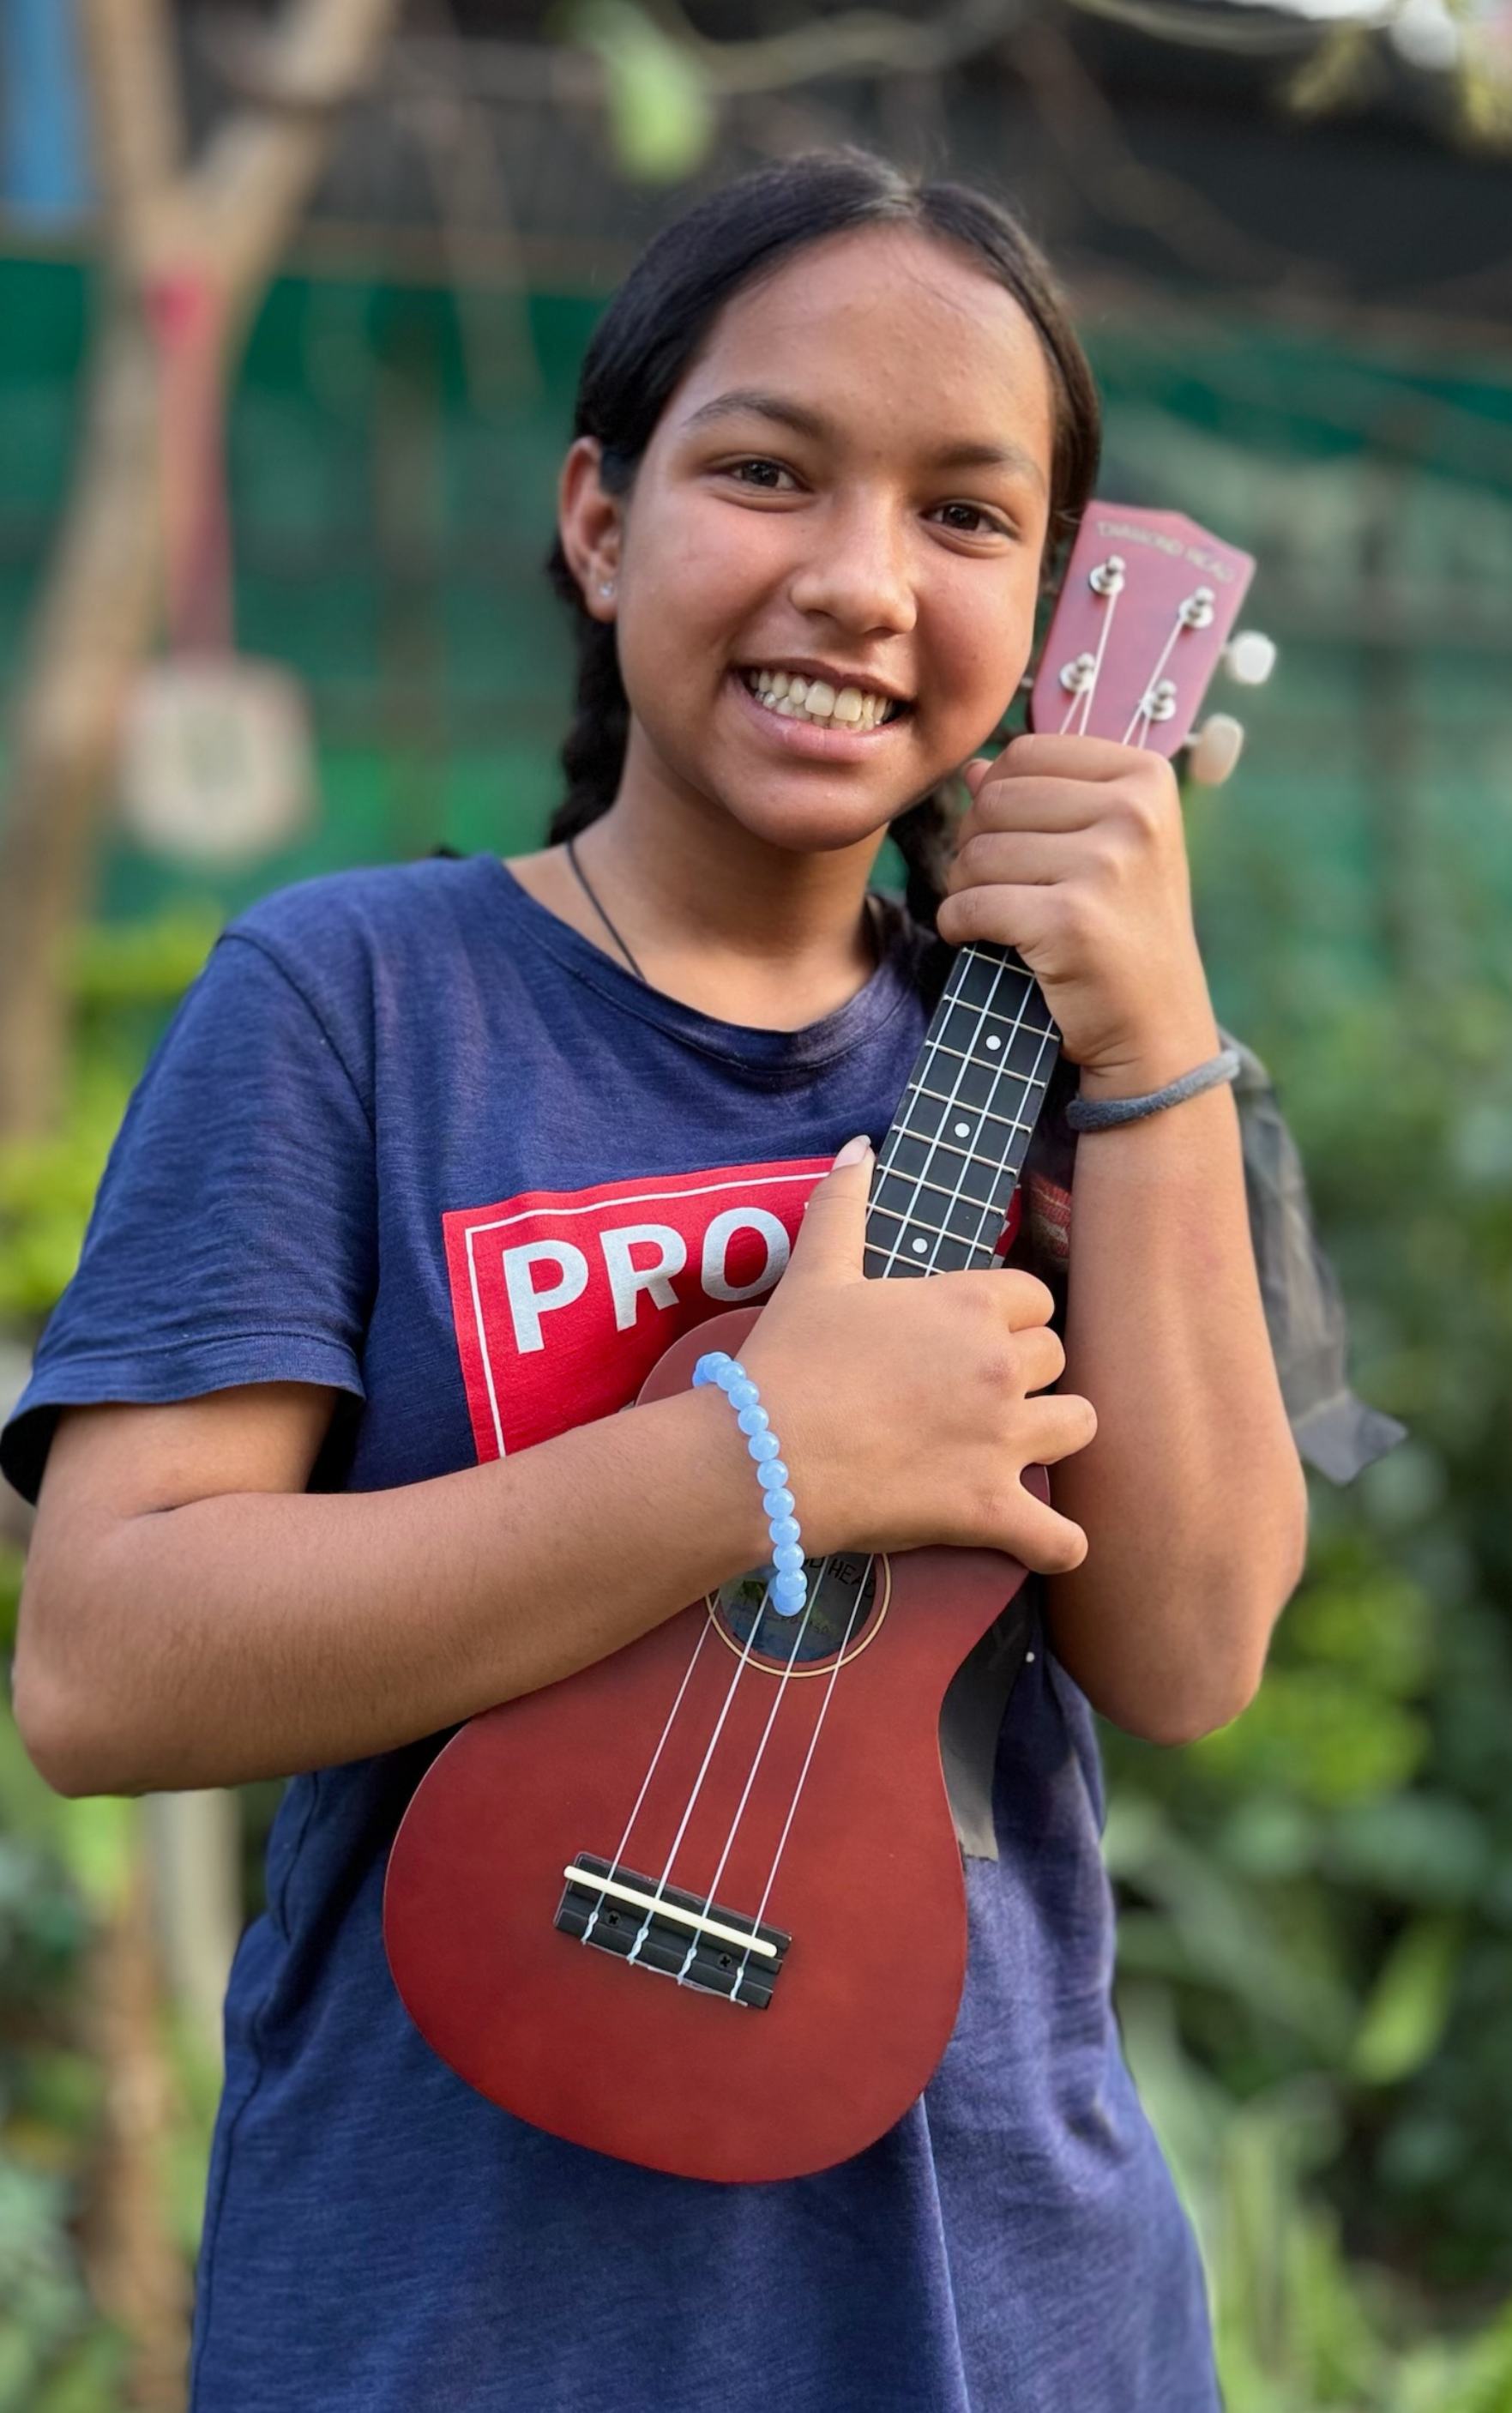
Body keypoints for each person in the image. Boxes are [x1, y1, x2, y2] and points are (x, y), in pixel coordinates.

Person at [3, 150, 1312, 2411]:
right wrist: (754, 1461)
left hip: (1007, 2316)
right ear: (602, 520)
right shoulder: (358, 1003)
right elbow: (108, 1670)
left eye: (967, 515)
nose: (857, 578)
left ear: (1061, 612)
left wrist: (1161, 1045)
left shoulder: (1107, 1079)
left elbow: (1189, 1652)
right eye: (767, 468)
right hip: (457, 2324)